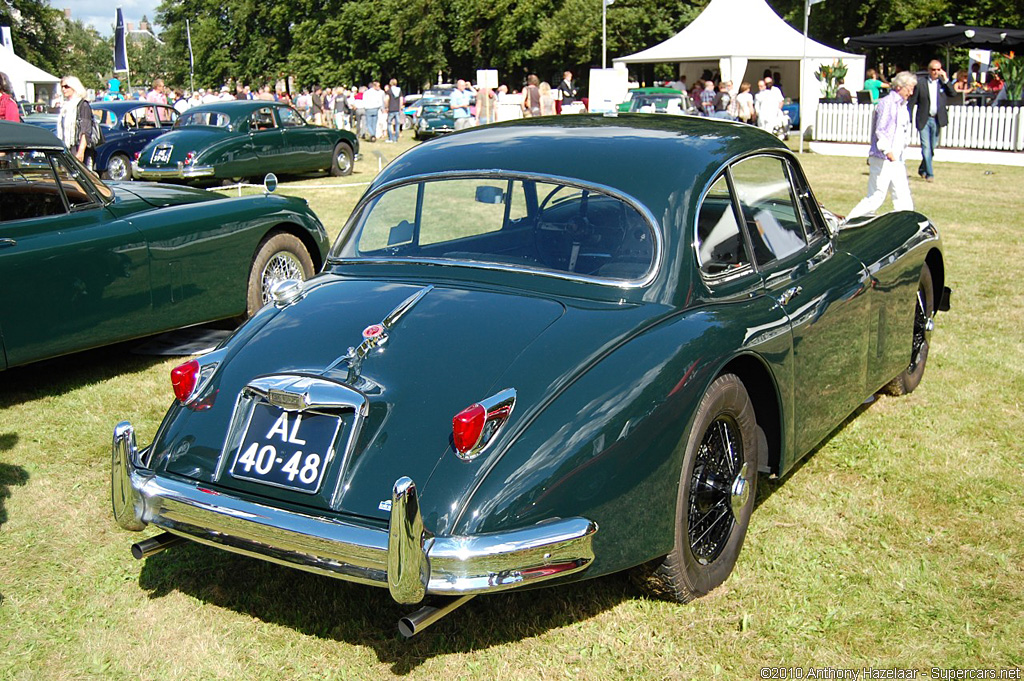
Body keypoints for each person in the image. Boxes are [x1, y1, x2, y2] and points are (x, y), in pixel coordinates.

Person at [846, 71, 918, 221]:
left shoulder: (902, 106)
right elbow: (881, 130)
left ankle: (907, 224)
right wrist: (888, 151)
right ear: (899, 87)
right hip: (884, 157)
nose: (911, 93)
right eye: (909, 88)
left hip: (897, 158)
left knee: (902, 194)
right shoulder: (887, 103)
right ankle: (847, 222)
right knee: (876, 197)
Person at [907, 59, 955, 182]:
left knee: (932, 148)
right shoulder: (921, 83)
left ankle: (922, 168)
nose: (935, 72)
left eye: (938, 69)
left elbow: (953, 94)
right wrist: (908, 117)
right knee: (926, 147)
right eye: (933, 69)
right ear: (929, 70)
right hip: (924, 119)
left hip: (937, 119)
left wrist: (946, 80)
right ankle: (930, 174)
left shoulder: (943, 84)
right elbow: (912, 101)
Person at [57, 76, 96, 168]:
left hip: (78, 148)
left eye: (66, 86)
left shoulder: (83, 105)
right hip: (66, 148)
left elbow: (85, 130)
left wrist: (81, 151)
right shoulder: (66, 107)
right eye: (62, 87)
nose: (63, 89)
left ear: (74, 87)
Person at [385, 78, 403, 143]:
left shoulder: (389, 91)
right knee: (397, 124)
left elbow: (386, 99)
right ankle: (396, 139)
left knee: (389, 123)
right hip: (397, 109)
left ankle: (390, 138)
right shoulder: (399, 90)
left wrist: (386, 107)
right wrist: (400, 108)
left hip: (391, 109)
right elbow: (401, 99)